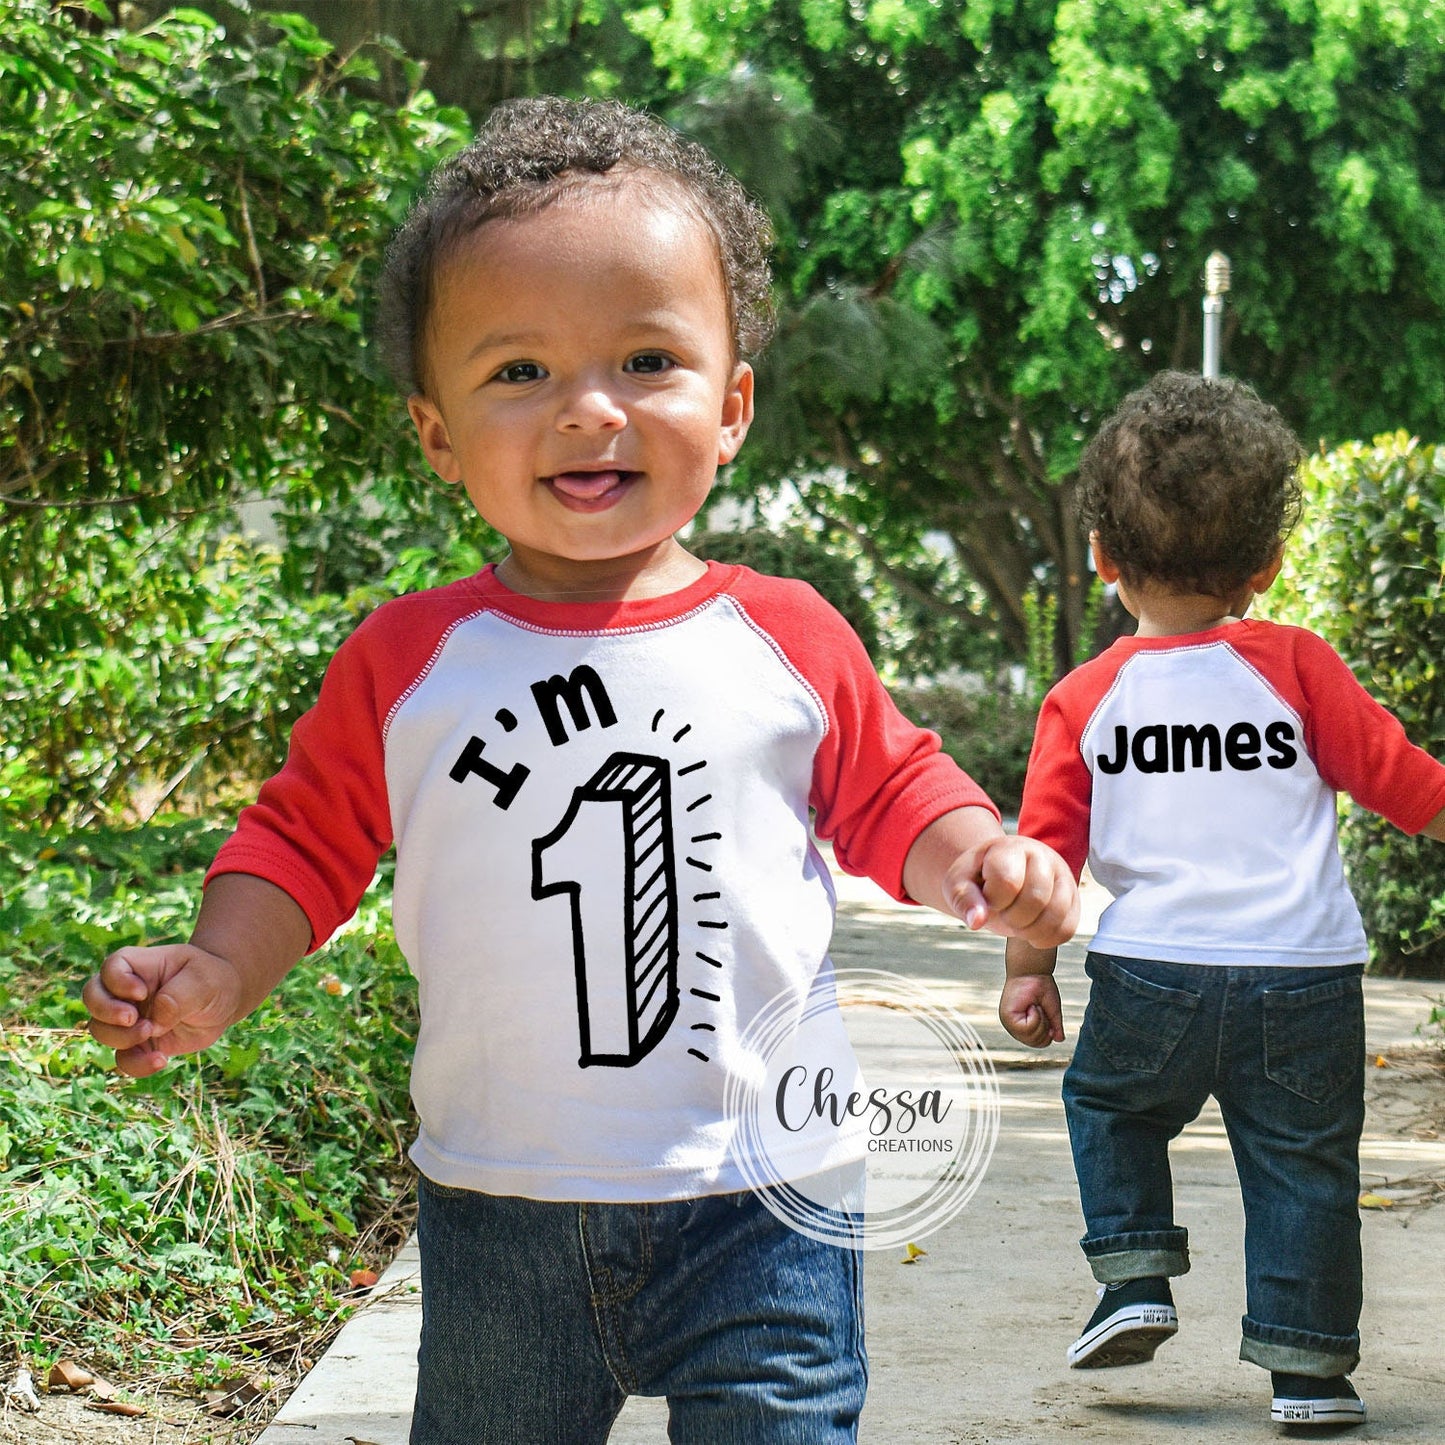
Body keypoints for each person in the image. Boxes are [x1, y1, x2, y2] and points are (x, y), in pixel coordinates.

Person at [84, 97, 1078, 1445]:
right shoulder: (409, 659)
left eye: (646, 358)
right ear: (438, 436)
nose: (589, 410)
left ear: (729, 407)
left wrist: (978, 857)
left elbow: (891, 791)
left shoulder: (783, 634)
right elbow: (301, 843)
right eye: (519, 373)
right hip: (503, 1209)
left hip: (769, 1195)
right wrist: (217, 965)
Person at [999, 370, 1445, 1428]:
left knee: (1108, 1102)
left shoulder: (1084, 696)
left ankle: (1134, 1270)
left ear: (1103, 562)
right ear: (1268, 563)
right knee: (1301, 1166)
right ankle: (1307, 1371)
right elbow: (1401, 783)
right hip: (1302, 978)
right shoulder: (1294, 664)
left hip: (1149, 970)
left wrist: (1027, 973)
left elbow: (1042, 859)